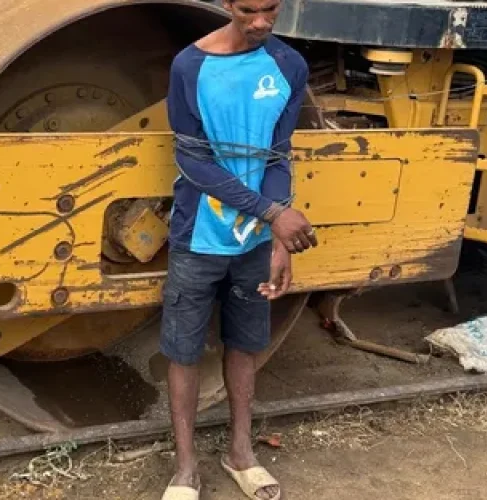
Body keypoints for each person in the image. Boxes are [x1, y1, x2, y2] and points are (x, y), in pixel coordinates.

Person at [160, 0, 317, 499]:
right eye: (248, 10)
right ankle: (185, 468)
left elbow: (278, 155)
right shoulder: (190, 66)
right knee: (183, 350)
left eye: (271, 8)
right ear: (227, 4)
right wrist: (272, 214)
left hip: (255, 242)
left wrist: (278, 238)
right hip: (197, 236)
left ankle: (241, 453)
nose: (261, 21)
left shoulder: (288, 64)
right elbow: (193, 162)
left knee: (247, 344)